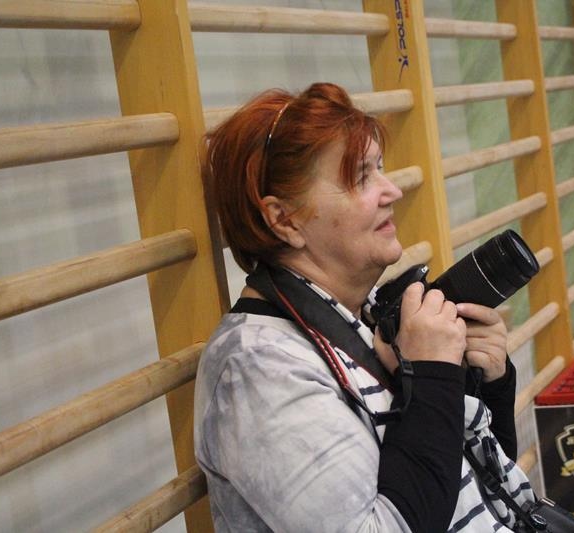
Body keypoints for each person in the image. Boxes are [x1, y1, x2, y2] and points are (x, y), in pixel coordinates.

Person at [194, 82, 536, 532]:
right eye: (359, 177)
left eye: (380, 169)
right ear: (284, 219)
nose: (391, 190)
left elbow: (477, 496)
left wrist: (486, 386)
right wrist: (434, 377)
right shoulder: (258, 368)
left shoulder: (363, 316)